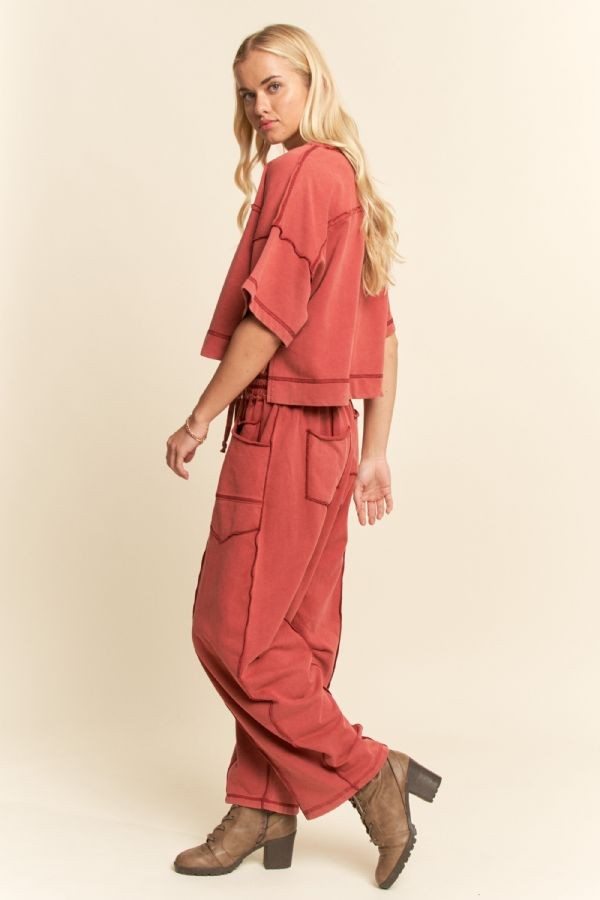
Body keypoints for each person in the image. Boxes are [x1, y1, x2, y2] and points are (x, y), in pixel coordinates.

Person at [165, 23, 442, 891]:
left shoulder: (302, 175)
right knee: (290, 637)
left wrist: (200, 416)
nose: (259, 106)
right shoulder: (345, 178)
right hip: (332, 440)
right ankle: (260, 807)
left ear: (313, 83)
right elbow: (382, 336)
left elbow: (271, 319)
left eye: (274, 86)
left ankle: (371, 773)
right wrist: (374, 451)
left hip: (282, 431)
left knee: (233, 636)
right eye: (248, 93)